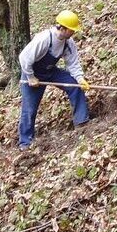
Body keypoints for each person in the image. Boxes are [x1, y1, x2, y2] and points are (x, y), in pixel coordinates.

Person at [18, 10, 90, 150]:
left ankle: (82, 121)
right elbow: (24, 58)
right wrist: (31, 77)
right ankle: (25, 143)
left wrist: (80, 79)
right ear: (62, 28)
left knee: (74, 86)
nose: (73, 33)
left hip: (50, 71)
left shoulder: (68, 43)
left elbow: (73, 63)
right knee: (29, 108)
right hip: (32, 74)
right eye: (71, 30)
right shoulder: (44, 39)